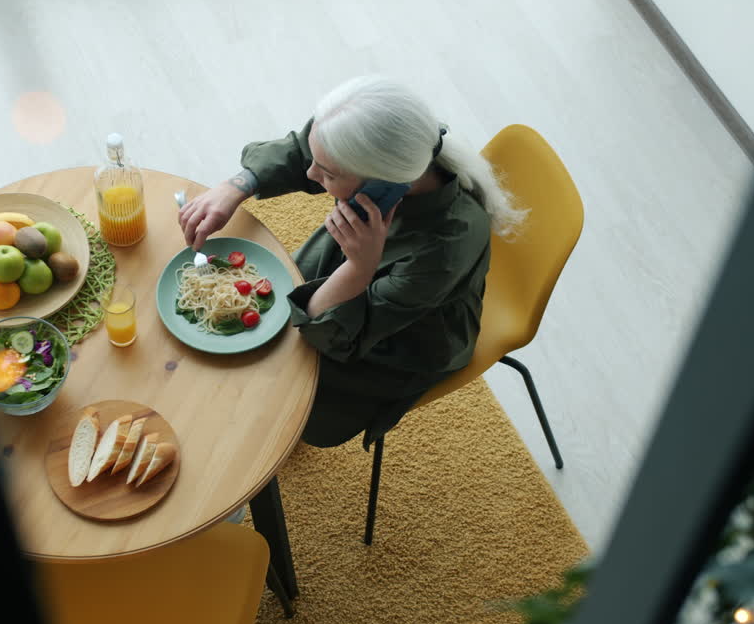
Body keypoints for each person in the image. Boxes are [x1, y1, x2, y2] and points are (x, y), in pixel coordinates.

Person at [179, 75, 527, 449]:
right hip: (360, 267)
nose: (311, 175)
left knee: (278, 382)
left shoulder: (442, 250)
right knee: (265, 336)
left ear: (386, 185)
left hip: (400, 339)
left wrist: (358, 268)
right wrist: (236, 186)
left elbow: (326, 331)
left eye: (328, 174)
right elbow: (303, 151)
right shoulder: (395, 145)